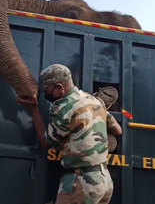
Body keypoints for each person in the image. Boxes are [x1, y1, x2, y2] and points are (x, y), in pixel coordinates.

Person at [17, 64, 122, 204]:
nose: (45, 94)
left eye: (47, 90)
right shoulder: (93, 100)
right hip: (104, 181)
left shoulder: (64, 108)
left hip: (82, 182)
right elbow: (118, 130)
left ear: (60, 87)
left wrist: (34, 110)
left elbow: (46, 141)